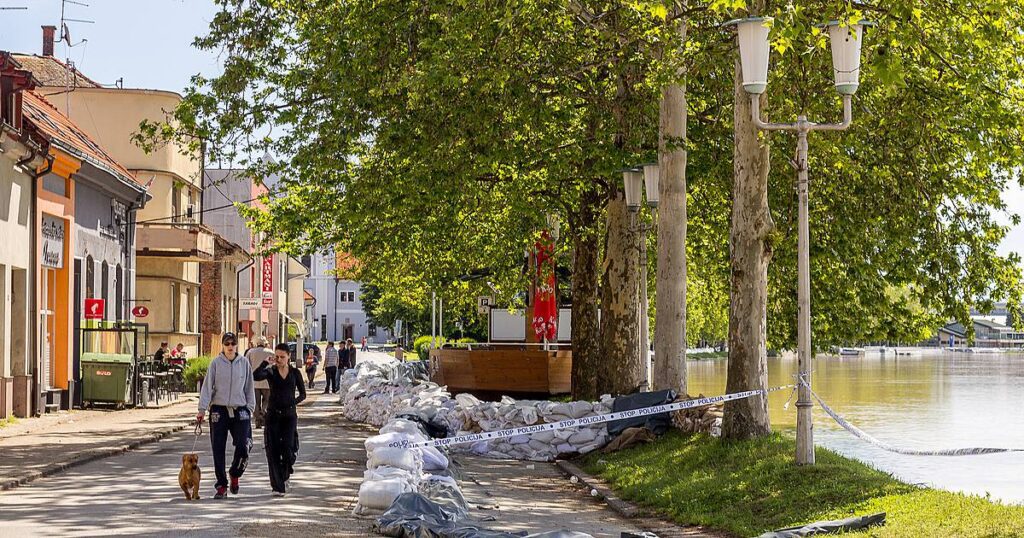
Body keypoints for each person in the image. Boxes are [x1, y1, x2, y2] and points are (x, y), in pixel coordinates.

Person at [197, 332, 255, 499]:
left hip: (240, 409)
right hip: (219, 410)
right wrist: (202, 409)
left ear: (237, 345)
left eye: (233, 343)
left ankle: (235, 473)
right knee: (218, 448)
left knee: (244, 445)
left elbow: (249, 388)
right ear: (223, 345)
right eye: (227, 343)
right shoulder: (215, 363)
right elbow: (207, 387)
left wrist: (250, 408)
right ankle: (221, 484)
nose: (230, 346)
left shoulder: (244, 363)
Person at [253, 343, 306, 496]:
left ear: (289, 356)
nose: (279, 359)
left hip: (289, 416)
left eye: (282, 357)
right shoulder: (271, 371)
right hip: (273, 415)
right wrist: (265, 363)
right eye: (277, 357)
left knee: (289, 449)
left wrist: (292, 403)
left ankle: (285, 474)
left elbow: (303, 394)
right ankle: (278, 486)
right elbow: (255, 376)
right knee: (273, 450)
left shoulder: (295, 373)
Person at [246, 337, 274, 429]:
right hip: (267, 382)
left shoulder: (250, 352)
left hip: (254, 382)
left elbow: (246, 365)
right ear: (265, 343)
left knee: (255, 403)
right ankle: (263, 412)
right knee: (267, 401)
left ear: (256, 343)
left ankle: (258, 420)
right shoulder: (270, 352)